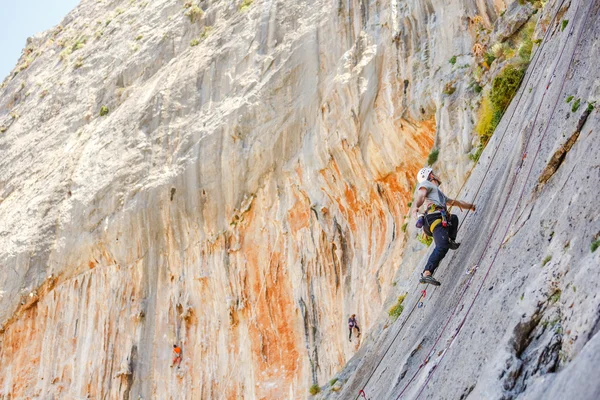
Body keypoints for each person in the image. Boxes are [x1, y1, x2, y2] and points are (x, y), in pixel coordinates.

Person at [414, 167, 476, 286]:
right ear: (430, 176)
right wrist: (416, 206)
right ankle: (427, 273)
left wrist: (471, 206)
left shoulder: (438, 194)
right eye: (433, 173)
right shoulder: (426, 184)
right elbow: (421, 195)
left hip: (436, 218)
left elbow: (457, 203)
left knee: (453, 218)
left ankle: (450, 240)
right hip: (433, 219)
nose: (436, 175)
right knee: (442, 246)